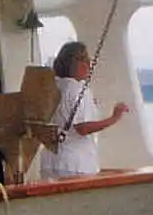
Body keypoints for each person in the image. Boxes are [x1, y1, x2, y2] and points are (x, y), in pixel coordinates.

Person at [41, 41, 129, 180]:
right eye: (84, 59)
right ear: (72, 63)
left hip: (51, 162)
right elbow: (83, 128)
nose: (89, 63)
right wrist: (114, 118)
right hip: (76, 165)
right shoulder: (77, 89)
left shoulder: (53, 86)